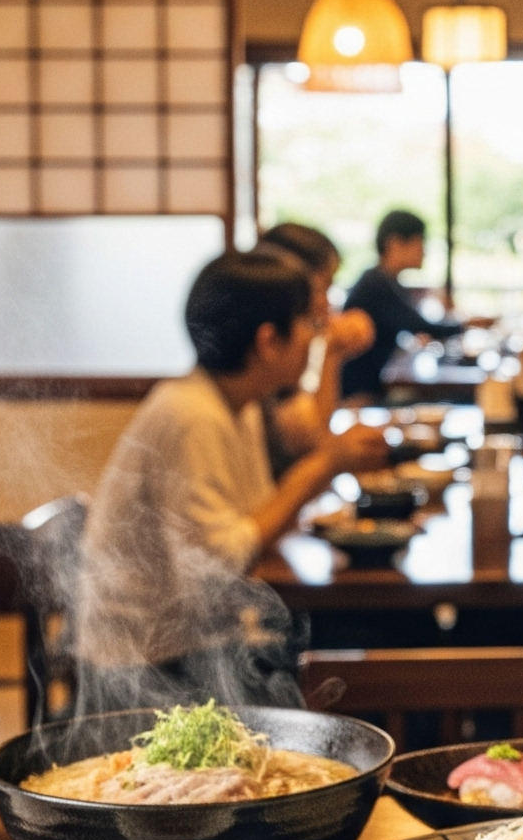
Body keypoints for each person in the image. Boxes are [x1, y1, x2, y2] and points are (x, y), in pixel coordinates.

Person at [75, 249, 389, 713]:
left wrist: (324, 466)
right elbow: (220, 565)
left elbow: (254, 522)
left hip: (194, 645)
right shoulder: (192, 415)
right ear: (268, 341)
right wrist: (320, 467)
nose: (314, 336)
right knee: (362, 669)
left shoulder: (231, 403)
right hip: (146, 670)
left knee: (365, 644)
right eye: (307, 323)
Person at [256, 221, 376, 473]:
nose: (327, 304)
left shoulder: (285, 342)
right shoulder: (266, 345)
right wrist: (332, 350)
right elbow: (311, 443)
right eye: (323, 287)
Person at [340, 208, 463, 399]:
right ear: (395, 243)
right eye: (420, 242)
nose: (424, 251)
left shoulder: (385, 280)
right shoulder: (377, 284)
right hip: (361, 394)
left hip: (372, 384)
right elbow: (421, 326)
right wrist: (466, 325)